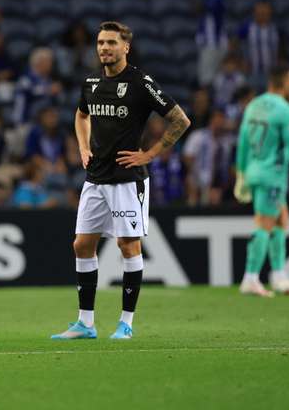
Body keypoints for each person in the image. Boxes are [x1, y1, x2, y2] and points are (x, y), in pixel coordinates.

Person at [52, 21, 191, 341]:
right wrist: (83, 146)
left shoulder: (140, 83)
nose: (104, 48)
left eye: (112, 43)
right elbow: (81, 114)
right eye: (100, 42)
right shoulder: (91, 83)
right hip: (95, 177)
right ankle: (85, 323)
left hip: (127, 180)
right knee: (82, 244)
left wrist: (151, 153)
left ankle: (126, 322)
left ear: (126, 47)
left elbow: (180, 120)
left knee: (127, 245)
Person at [234, 64, 289, 297]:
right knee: (265, 223)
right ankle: (250, 278)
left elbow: (242, 140)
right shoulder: (286, 111)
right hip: (271, 174)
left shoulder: (253, 105)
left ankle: (280, 276)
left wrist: (241, 173)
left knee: (282, 219)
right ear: (287, 81)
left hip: (254, 170)